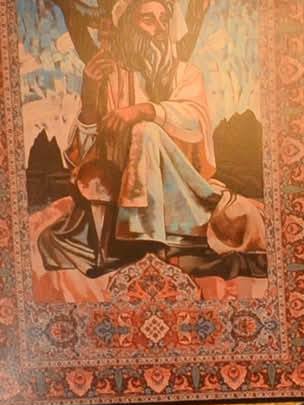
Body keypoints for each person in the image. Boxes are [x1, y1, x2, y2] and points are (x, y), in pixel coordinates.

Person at [38, 0, 264, 276]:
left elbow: (194, 120)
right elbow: (88, 153)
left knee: (145, 129)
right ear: (129, 26)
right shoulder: (112, 78)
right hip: (121, 194)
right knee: (54, 241)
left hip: (182, 191)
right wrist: (90, 96)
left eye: (163, 20)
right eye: (148, 19)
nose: (159, 28)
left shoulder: (185, 73)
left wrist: (145, 110)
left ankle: (142, 237)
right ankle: (141, 237)